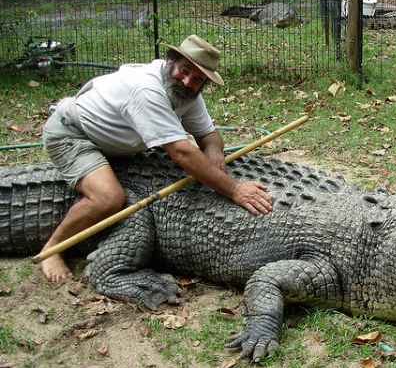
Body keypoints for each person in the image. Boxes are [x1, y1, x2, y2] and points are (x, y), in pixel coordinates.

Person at [40, 35, 272, 282]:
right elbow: (180, 152)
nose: (187, 81)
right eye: (184, 70)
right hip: (74, 135)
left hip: (117, 146)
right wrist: (235, 188)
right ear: (171, 61)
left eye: (197, 79)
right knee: (109, 197)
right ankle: (52, 250)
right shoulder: (147, 89)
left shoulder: (187, 93)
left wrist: (213, 150)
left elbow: (208, 134)